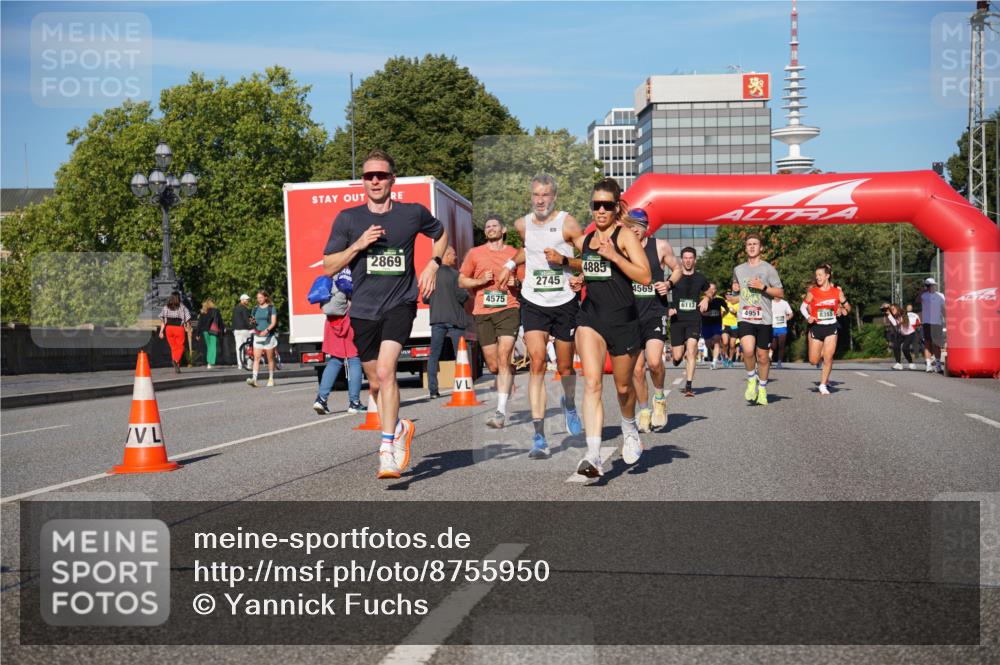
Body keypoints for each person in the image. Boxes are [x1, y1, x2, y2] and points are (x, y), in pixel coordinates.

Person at [323, 149, 448, 480]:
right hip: (363, 310)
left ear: (393, 179)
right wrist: (358, 245)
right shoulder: (348, 219)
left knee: (386, 370)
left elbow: (441, 234)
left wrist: (433, 265)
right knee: (377, 383)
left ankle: (386, 451)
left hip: (400, 303)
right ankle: (401, 428)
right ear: (363, 181)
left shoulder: (412, 214)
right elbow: (329, 266)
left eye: (381, 175)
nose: (375, 181)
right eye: (369, 176)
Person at [568, 178, 651, 477]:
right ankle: (593, 455)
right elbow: (595, 271)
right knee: (592, 382)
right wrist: (580, 278)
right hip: (591, 317)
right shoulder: (587, 240)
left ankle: (629, 427)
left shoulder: (624, 235)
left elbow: (645, 276)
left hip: (623, 320)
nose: (600, 210)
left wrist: (615, 255)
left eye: (606, 205)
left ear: (616, 207)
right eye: (596, 205)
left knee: (624, 387)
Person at [497, 173, 584, 459]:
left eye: (545, 195)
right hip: (534, 301)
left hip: (564, 301)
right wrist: (509, 265)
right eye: (536, 194)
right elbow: (528, 250)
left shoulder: (568, 223)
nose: (540, 200)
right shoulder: (523, 224)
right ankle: (539, 436)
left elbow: (589, 258)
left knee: (565, 367)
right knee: (537, 361)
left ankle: (569, 403)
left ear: (554, 197)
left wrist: (566, 262)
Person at [459, 214, 520, 428]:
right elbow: (461, 280)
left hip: (508, 309)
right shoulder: (475, 253)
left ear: (503, 230)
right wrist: (479, 281)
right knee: (494, 365)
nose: (490, 229)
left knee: (503, 357)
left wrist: (516, 282)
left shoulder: (514, 254)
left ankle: (500, 413)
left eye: (494, 226)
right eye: (487, 227)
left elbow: (524, 280)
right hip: (483, 312)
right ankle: (508, 371)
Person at [623, 209, 679, 433]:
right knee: (637, 370)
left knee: (654, 362)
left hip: (655, 310)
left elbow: (677, 269)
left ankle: (660, 399)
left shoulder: (660, 246)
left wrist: (668, 284)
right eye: (630, 225)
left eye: (638, 225)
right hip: (631, 314)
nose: (634, 229)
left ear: (647, 227)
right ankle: (644, 411)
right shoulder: (623, 248)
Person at [732, 233, 784, 406]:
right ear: (745, 248)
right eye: (749, 244)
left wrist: (763, 287)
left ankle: (762, 388)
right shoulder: (738, 269)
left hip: (764, 319)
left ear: (761, 248)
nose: (752, 247)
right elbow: (736, 289)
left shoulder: (769, 269)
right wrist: (735, 289)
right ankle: (751, 379)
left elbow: (780, 293)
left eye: (755, 244)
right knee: (747, 351)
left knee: (762, 357)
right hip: (745, 317)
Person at [312, 287, 364, 415]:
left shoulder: (331, 278)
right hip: (350, 320)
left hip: (332, 322)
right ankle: (354, 403)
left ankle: (321, 399)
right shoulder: (350, 275)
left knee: (335, 360)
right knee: (354, 359)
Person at [799, 263, 850, 395]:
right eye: (816, 275)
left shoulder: (837, 292)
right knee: (813, 360)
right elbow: (802, 307)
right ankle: (819, 358)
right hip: (816, 327)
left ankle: (823, 384)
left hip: (831, 327)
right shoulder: (813, 292)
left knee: (829, 357)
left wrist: (842, 310)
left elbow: (847, 307)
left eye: (820, 275)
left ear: (827, 276)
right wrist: (808, 317)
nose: (817, 277)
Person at [427, 245, 470, 399]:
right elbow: (462, 296)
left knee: (434, 355)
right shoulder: (455, 275)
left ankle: (433, 390)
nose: (455, 257)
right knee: (461, 354)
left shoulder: (431, 274)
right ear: (446, 255)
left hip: (437, 319)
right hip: (455, 320)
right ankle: (462, 385)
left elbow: (425, 298)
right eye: (453, 255)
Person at [668, 247, 710, 397]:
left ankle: (689, 386)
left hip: (694, 319)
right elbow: (662, 292)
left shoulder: (700, 278)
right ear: (681, 260)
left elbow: (711, 290)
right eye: (685, 258)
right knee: (677, 356)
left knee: (692, 350)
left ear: (695, 260)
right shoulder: (675, 276)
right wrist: (668, 308)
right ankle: (678, 356)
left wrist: (706, 298)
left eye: (690, 258)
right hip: (677, 320)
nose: (688, 260)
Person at [246, 290, 279, 388]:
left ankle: (271, 378)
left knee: (270, 358)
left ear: (265, 297)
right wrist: (252, 322)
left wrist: (267, 330)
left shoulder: (271, 308)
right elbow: (252, 320)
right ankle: (254, 379)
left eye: (261, 297)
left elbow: (273, 322)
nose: (259, 299)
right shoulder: (255, 309)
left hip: (268, 336)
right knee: (256, 358)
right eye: (257, 298)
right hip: (258, 335)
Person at [158, 292, 191, 373]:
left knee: (174, 348)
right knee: (181, 347)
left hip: (168, 329)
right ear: (178, 298)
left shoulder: (166, 307)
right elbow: (188, 319)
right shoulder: (182, 307)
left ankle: (177, 367)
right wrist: (189, 328)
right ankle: (176, 360)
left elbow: (163, 321)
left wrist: (161, 332)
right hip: (179, 329)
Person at [918, 277, 946, 373]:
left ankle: (938, 365)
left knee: (937, 345)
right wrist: (923, 290)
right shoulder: (924, 295)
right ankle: (928, 365)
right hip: (927, 322)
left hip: (937, 323)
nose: (931, 287)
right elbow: (917, 300)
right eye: (928, 285)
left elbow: (943, 308)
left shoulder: (941, 295)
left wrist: (946, 319)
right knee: (928, 344)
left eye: (932, 285)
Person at [701, 283, 728, 371]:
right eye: (710, 289)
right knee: (708, 344)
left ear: (716, 290)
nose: (711, 291)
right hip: (706, 324)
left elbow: (727, 309)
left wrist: (724, 314)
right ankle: (716, 353)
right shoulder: (702, 299)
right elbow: (698, 311)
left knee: (716, 340)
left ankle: (714, 362)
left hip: (717, 324)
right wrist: (705, 314)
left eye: (713, 289)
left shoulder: (720, 300)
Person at [886, 303, 920, 370]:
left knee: (905, 348)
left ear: (897, 308)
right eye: (891, 309)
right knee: (895, 346)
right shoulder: (895, 315)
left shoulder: (903, 314)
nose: (892, 310)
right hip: (902, 334)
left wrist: (889, 315)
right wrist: (887, 307)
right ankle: (898, 364)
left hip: (910, 334)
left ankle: (911, 363)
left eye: (893, 309)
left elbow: (895, 323)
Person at [195, 298, 223, 369]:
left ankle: (209, 362)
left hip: (205, 331)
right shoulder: (215, 311)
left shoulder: (203, 311)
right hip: (213, 330)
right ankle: (210, 362)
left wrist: (197, 334)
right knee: (212, 346)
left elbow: (200, 323)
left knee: (209, 346)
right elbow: (220, 321)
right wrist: (222, 330)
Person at [771, 295, 794, 369]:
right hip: (772, 327)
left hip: (782, 327)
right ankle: (769, 356)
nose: (776, 295)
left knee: (781, 345)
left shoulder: (784, 303)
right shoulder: (770, 302)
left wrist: (788, 318)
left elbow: (791, 313)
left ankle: (779, 362)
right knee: (773, 346)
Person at [232, 294, 253, 369]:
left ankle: (240, 364)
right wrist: (253, 326)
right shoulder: (245, 309)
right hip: (245, 330)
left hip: (237, 330)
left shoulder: (235, 308)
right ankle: (249, 364)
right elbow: (248, 319)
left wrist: (233, 329)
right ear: (242, 300)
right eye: (246, 300)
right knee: (248, 347)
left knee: (239, 348)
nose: (247, 301)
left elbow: (233, 319)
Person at [721, 289, 740, 368]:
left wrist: (733, 310)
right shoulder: (723, 303)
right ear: (725, 295)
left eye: (730, 294)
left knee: (732, 345)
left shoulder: (737, 303)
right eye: (727, 294)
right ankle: (725, 356)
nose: (729, 295)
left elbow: (737, 313)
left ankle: (730, 359)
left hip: (734, 325)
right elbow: (721, 314)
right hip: (725, 325)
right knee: (725, 342)